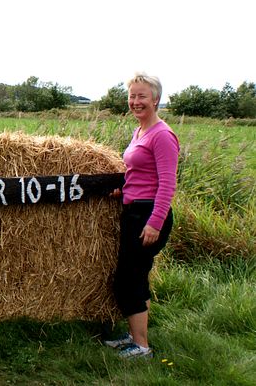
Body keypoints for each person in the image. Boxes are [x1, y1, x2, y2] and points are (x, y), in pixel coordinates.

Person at [103, 72, 179, 359]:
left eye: (142, 96)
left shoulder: (162, 135)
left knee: (130, 277)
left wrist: (154, 223)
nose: (135, 101)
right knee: (133, 276)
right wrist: (125, 191)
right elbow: (143, 175)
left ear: (156, 99)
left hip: (148, 215)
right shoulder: (141, 131)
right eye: (132, 96)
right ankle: (134, 336)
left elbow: (167, 184)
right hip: (134, 209)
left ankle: (142, 347)